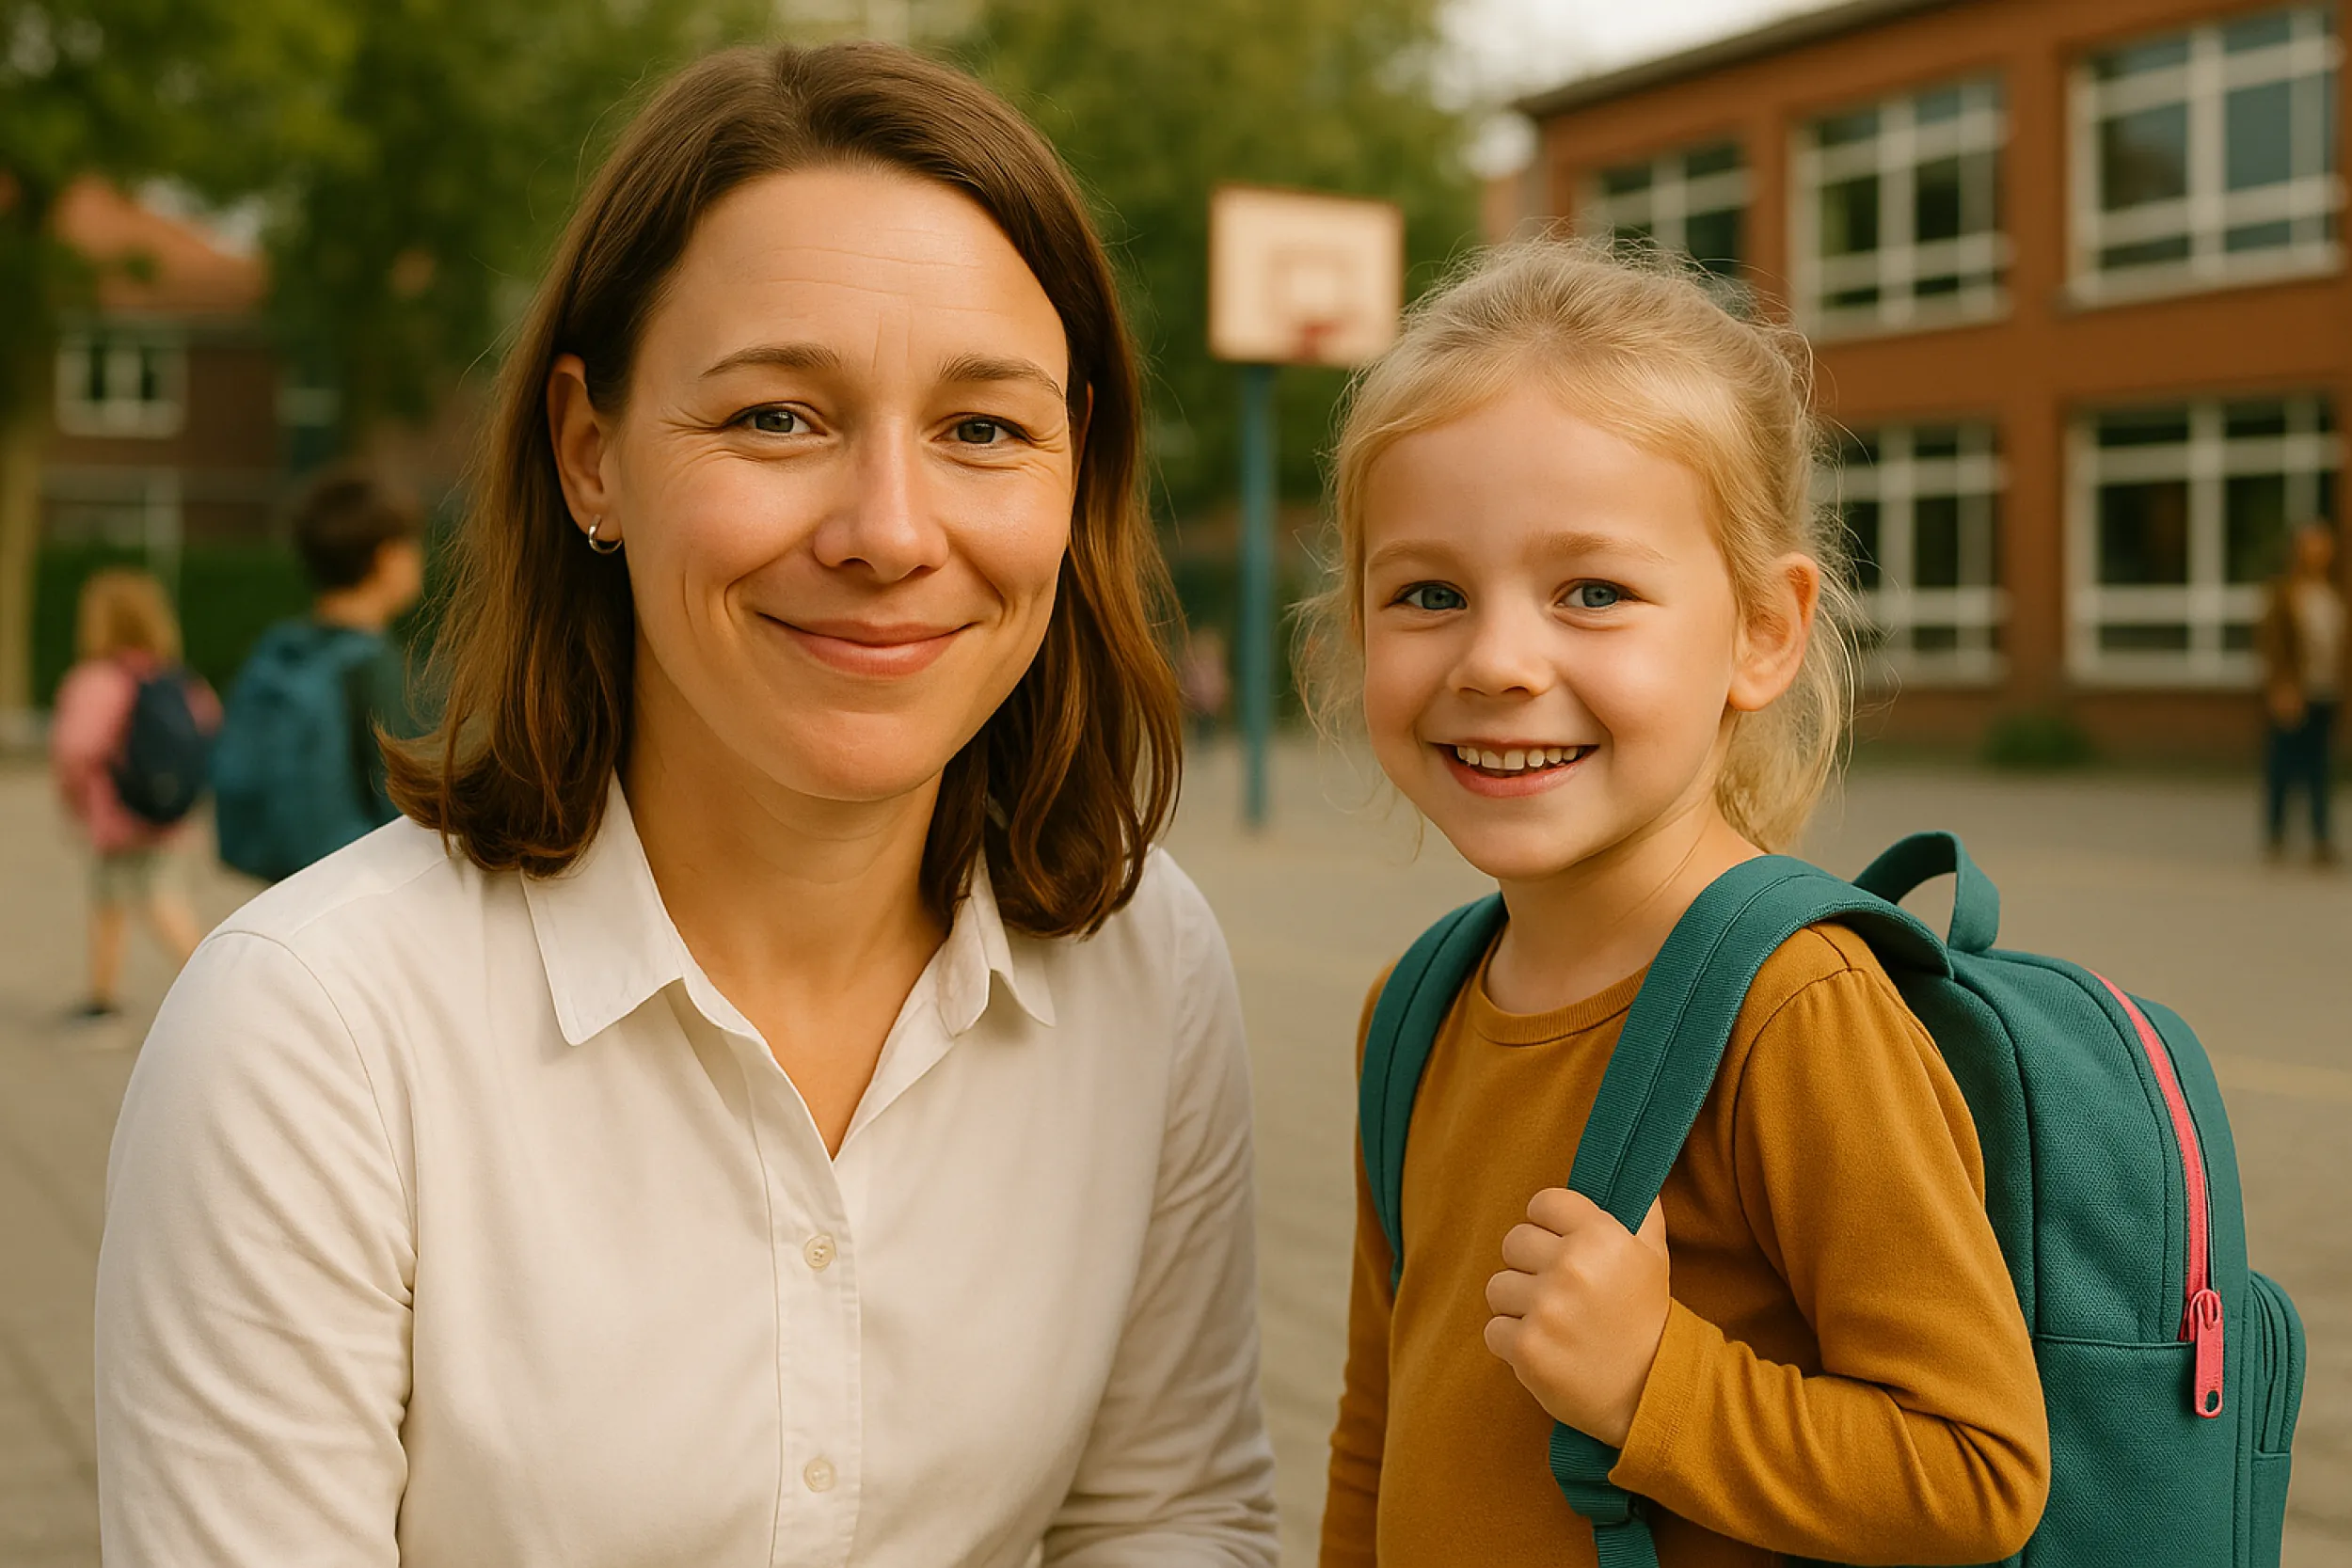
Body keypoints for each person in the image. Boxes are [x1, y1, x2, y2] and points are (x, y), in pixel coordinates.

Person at [95, 41, 1275, 1568]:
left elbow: (1166, 1516)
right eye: (779, 416)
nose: (889, 531)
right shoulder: (312, 1036)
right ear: (592, 454)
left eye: (985, 428)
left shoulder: (1148, 961)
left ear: (1076, 466)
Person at [1308, 242, 2048, 1565]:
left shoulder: (1794, 1009)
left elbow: (1976, 1470)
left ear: (1763, 631)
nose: (1498, 660)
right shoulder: (1413, 1009)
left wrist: (1652, 1378)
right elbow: (1377, 1429)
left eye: (1592, 591)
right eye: (1428, 593)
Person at [208, 467, 424, 880]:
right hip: (347, 887)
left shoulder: (281, 648)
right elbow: (399, 806)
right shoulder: (371, 664)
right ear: (386, 558)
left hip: (284, 882)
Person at [48, 568, 218, 1020]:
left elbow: (75, 749)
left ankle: (213, 981)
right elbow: (209, 730)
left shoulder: (97, 680)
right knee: (111, 898)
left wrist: (73, 801)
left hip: (118, 814)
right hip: (165, 813)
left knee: (157, 900)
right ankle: (101, 993)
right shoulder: (178, 680)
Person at [2255, 519, 2342, 866]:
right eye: (2312, 545)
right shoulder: (2285, 592)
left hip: (2326, 693)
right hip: (2294, 693)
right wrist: (2281, 687)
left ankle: (2321, 839)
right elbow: (2273, 645)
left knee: (2320, 768)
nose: (2319, 552)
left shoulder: (2334, 594)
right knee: (2283, 766)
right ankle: (2275, 834)